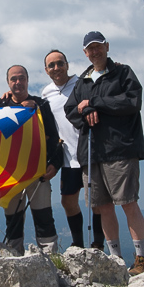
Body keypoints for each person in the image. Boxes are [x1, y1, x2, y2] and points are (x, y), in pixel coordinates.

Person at [64, 31, 144, 275]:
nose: (94, 52)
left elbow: (133, 101)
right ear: (85, 53)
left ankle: (142, 258)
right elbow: (71, 110)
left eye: (98, 47)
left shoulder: (122, 73)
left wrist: (96, 104)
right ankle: (117, 260)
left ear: (107, 47)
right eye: (90, 49)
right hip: (91, 153)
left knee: (128, 202)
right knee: (102, 206)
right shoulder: (83, 81)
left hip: (120, 149)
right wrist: (84, 111)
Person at [0, 65, 63, 254]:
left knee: (43, 215)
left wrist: (54, 164)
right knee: (12, 219)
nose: (18, 82)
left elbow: (55, 138)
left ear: (28, 80)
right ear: (8, 82)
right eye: (14, 79)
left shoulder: (42, 105)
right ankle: (13, 255)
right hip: (9, 174)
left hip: (38, 172)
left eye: (21, 78)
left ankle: (50, 255)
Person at [41, 50, 104, 250]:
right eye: (51, 65)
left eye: (60, 63)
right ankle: (77, 245)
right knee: (68, 201)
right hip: (68, 156)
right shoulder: (46, 93)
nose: (56, 68)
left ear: (67, 65)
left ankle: (98, 245)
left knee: (97, 201)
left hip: (90, 152)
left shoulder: (82, 83)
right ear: (46, 70)